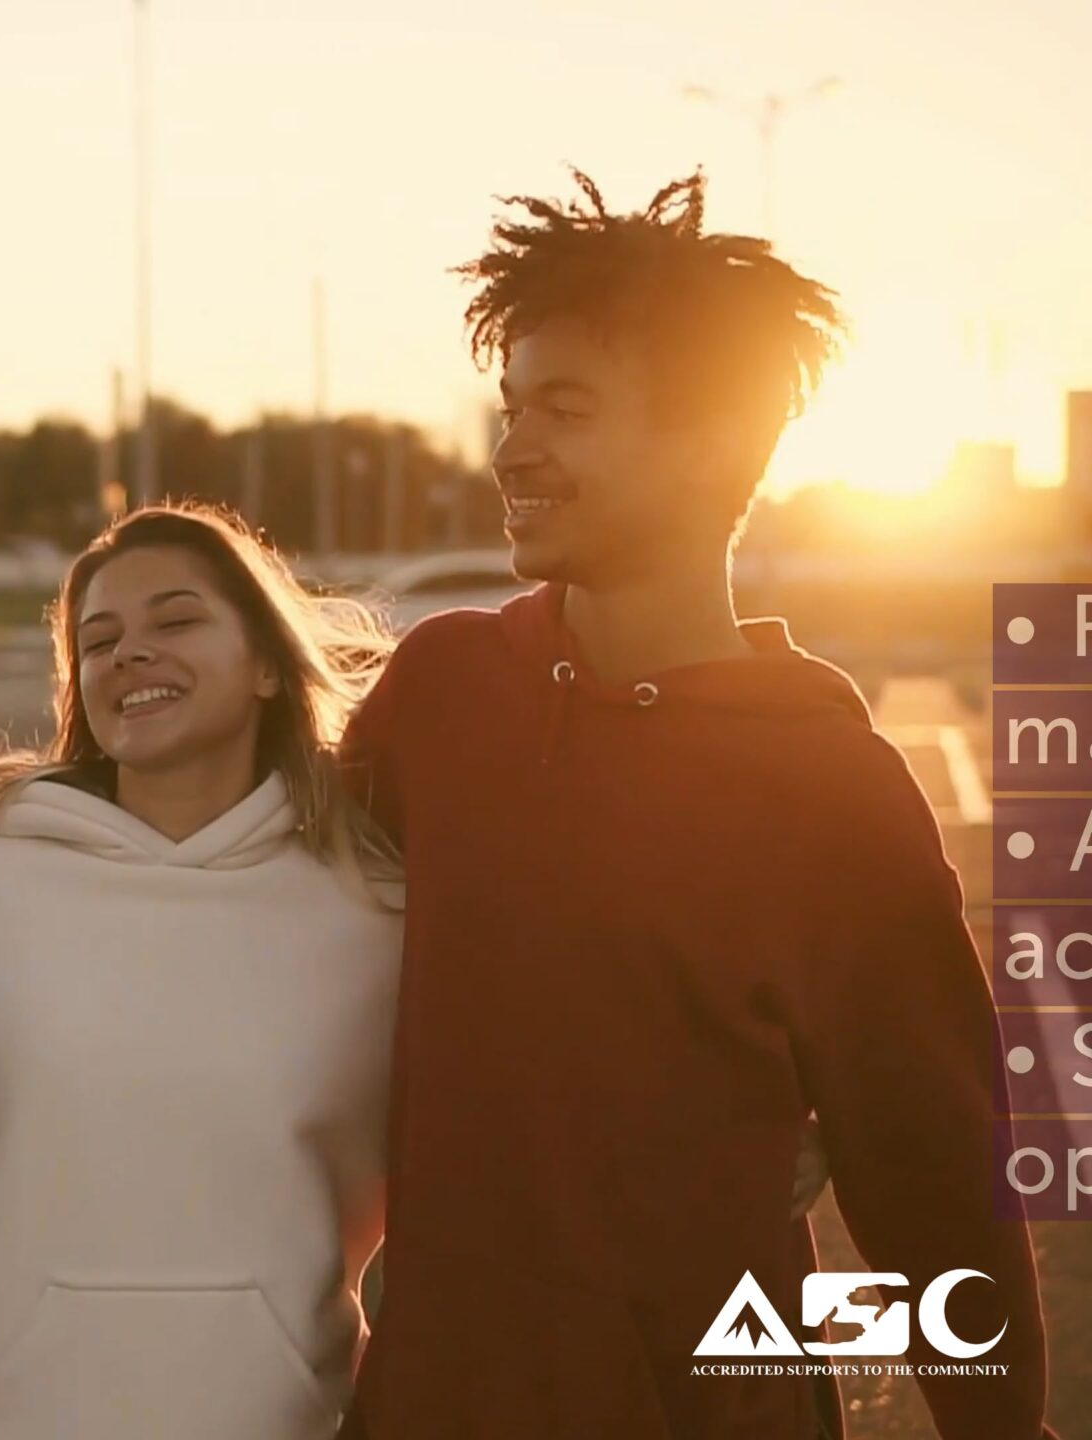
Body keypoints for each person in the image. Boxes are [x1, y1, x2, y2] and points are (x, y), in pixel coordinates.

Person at [337, 173, 1054, 1439]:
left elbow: (933, 1184)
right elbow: (250, 895)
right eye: (510, 407)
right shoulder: (442, 692)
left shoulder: (829, 789)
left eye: (565, 408)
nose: (509, 447)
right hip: (433, 1399)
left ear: (713, 445)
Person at [0, 501, 404, 1439]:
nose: (130, 654)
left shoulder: (375, 914)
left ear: (270, 665)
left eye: (176, 620)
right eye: (100, 640)